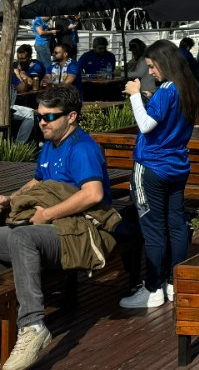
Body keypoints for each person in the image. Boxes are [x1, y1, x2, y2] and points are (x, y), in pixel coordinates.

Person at [0, 86, 114, 370]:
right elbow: (38, 183)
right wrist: (11, 199)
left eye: (49, 117)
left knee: (24, 238)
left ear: (71, 116)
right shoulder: (51, 144)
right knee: (15, 236)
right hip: (53, 230)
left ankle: (33, 327)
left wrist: (47, 214)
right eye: (39, 116)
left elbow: (93, 194)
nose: (42, 122)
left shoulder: (82, 147)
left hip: (82, 233)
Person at [120, 40, 199, 309]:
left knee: (153, 229)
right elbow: (165, 117)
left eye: (152, 66)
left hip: (152, 166)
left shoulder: (166, 90)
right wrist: (146, 98)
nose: (150, 72)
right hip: (177, 166)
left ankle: (153, 289)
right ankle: (174, 283)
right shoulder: (189, 88)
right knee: (176, 225)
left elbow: (145, 125)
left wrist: (134, 93)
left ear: (164, 64)